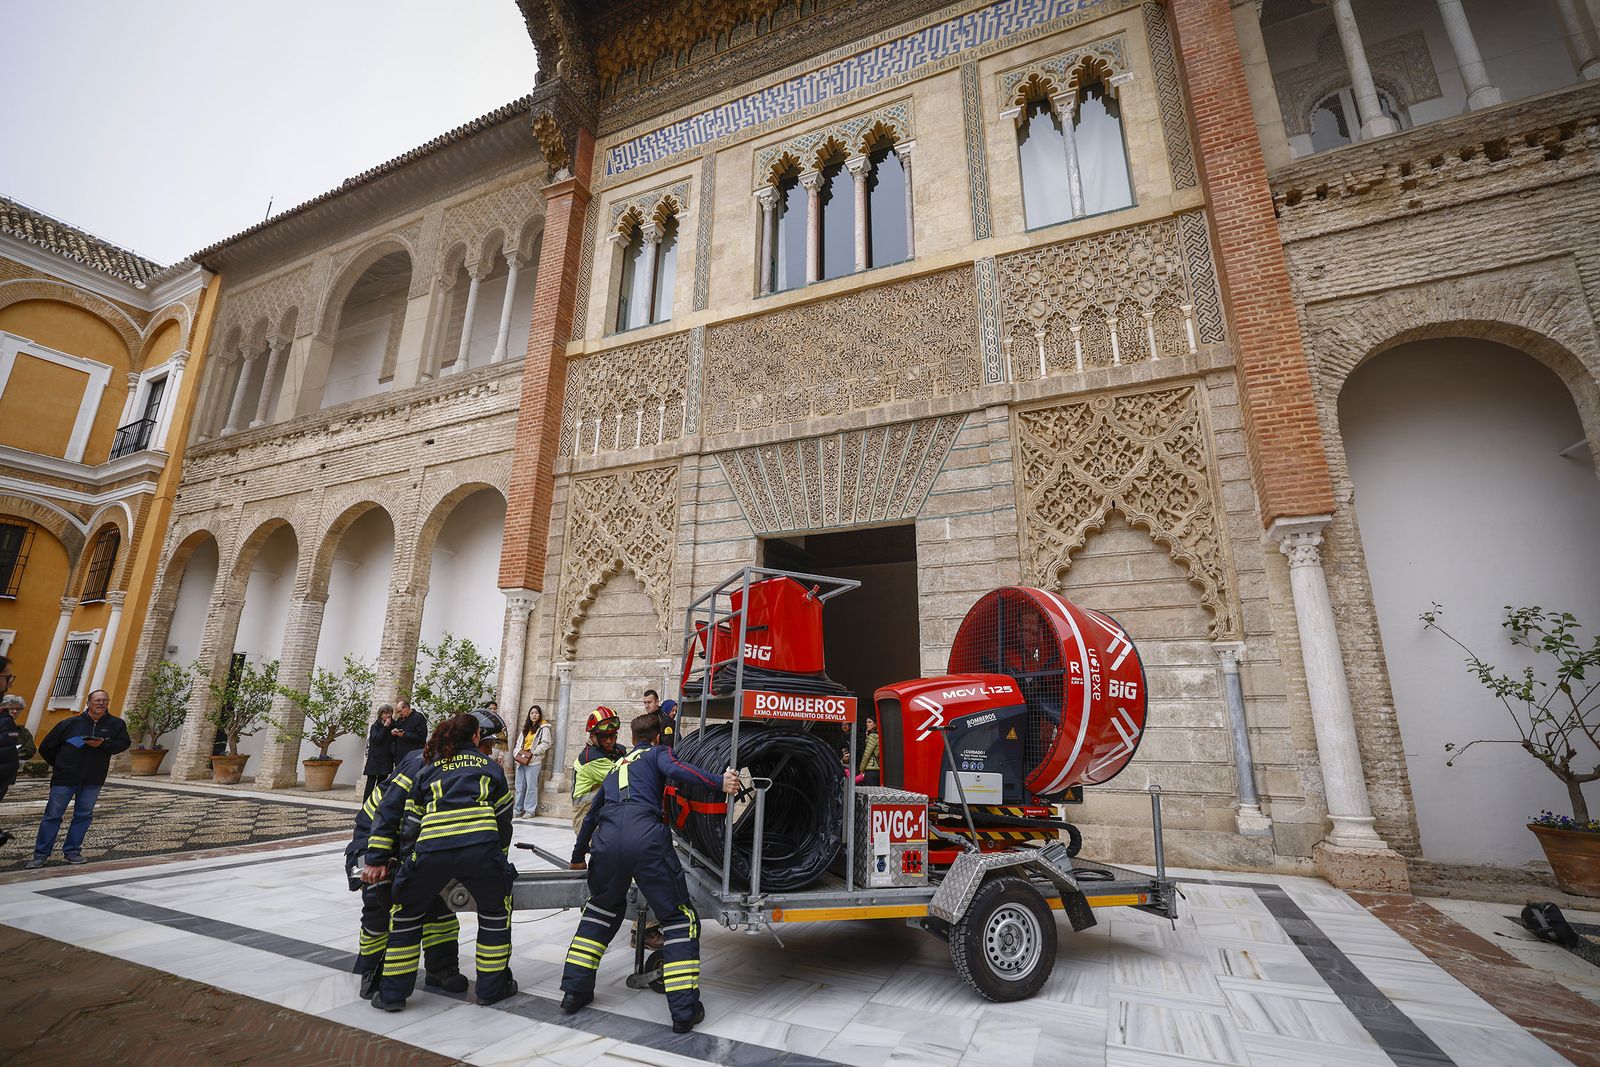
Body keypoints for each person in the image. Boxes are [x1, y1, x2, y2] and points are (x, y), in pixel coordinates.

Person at [561, 712, 738, 1033]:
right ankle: (683, 1011)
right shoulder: (658, 752)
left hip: (607, 841)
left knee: (600, 911)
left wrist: (578, 855)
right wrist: (719, 782)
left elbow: (592, 814)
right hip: (645, 839)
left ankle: (575, 992)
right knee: (679, 918)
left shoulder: (619, 764)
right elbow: (676, 770)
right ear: (658, 737)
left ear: (633, 735)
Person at [364, 709, 516, 1012]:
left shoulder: (428, 768)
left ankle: (392, 994)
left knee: (406, 916)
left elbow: (410, 822)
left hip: (431, 852)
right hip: (479, 852)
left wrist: (408, 864)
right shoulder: (491, 769)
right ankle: (491, 988)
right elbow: (503, 821)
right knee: (495, 914)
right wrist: (495, 860)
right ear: (475, 736)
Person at [345, 729, 467, 1000]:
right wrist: (377, 858)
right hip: (375, 835)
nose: (490, 753)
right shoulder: (420, 763)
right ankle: (370, 969)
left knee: (441, 904)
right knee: (379, 903)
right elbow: (388, 812)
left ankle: (442, 969)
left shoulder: (462, 767)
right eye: (489, 745)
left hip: (416, 843)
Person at [27, 689, 130, 868]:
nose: (101, 703)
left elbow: (123, 743)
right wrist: (60, 765)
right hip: (65, 777)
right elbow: (46, 747)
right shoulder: (70, 723)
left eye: (104, 700)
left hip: (93, 778)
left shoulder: (116, 724)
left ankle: (72, 851)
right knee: (52, 815)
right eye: (97, 700)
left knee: (83, 815)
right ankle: (41, 854)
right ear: (88, 703)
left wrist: (104, 744)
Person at [570, 707, 626, 835]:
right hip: (586, 816)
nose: (609, 741)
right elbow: (622, 778)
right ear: (593, 736)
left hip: (604, 810)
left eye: (612, 736)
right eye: (603, 737)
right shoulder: (591, 758)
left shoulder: (618, 751)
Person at [512, 705, 552, 819]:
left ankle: (530, 810)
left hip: (533, 761)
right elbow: (518, 743)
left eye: (536, 713)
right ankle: (517, 809)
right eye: (532, 713)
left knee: (531, 786)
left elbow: (546, 743)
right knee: (519, 786)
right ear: (529, 715)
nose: (534, 715)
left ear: (539, 715)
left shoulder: (543, 728)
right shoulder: (526, 729)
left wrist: (534, 752)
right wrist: (516, 753)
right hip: (521, 760)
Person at [362, 703, 395, 802]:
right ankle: (366, 805)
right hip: (374, 759)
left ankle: (377, 804)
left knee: (381, 784)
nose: (387, 716)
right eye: (385, 713)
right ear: (380, 714)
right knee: (370, 783)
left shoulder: (393, 725)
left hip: (386, 759)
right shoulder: (375, 726)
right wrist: (385, 727)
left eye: (389, 713)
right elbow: (377, 739)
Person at [389, 699, 426, 766]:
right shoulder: (400, 719)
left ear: (406, 708)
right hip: (400, 757)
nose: (399, 714)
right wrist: (394, 732)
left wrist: (405, 735)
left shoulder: (418, 717)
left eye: (400, 711)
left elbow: (422, 737)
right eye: (397, 712)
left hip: (413, 756)